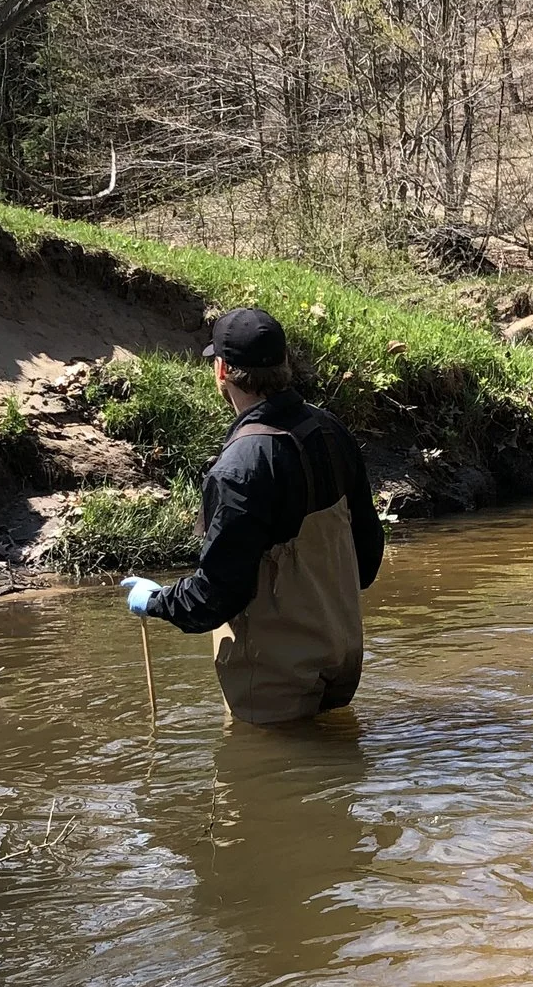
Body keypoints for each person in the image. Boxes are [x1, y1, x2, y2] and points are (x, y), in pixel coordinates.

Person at [119, 307, 385, 725]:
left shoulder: (240, 467)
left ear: (221, 369)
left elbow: (214, 598)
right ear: (284, 365)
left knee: (265, 778)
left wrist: (156, 601)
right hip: (343, 655)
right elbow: (366, 560)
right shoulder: (331, 431)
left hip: (274, 676)